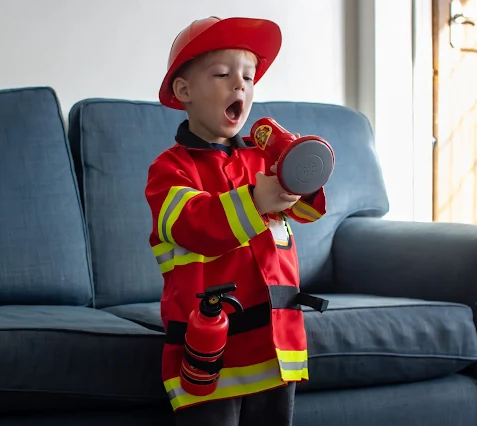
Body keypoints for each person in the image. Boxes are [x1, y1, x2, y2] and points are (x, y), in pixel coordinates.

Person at [145, 16, 328, 426]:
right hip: (210, 349)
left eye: (248, 76)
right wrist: (256, 198)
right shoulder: (170, 170)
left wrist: (297, 175)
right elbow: (195, 225)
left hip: (276, 343)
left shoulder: (263, 161)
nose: (240, 84)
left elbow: (308, 211)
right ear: (184, 90)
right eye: (223, 74)